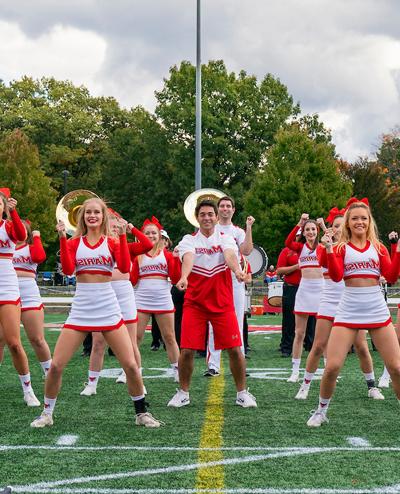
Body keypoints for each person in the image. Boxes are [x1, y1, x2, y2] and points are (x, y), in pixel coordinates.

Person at [30, 196, 161, 428]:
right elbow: (69, 270)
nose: (92, 216)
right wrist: (62, 238)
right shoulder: (74, 242)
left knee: (130, 364)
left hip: (108, 307)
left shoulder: (111, 242)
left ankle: (141, 412)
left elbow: (123, 266)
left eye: (97, 212)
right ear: (82, 217)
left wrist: (122, 234)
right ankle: (47, 413)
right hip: (81, 308)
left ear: (103, 217)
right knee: (57, 365)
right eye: (88, 212)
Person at [307, 199, 400, 427]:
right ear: (348, 222)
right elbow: (337, 276)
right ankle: (321, 410)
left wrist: (397, 250)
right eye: (355, 218)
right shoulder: (340, 247)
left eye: (363, 218)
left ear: (370, 222)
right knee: (332, 367)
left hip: (376, 308)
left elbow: (390, 276)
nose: (359, 222)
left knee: (396, 367)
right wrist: (328, 248)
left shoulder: (378, 247)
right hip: (348, 309)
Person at [168, 199, 257, 408]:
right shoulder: (188, 240)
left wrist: (237, 271)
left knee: (235, 349)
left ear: (217, 217)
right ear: (197, 218)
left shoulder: (226, 238)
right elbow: (188, 258)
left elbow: (229, 256)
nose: (207, 218)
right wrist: (184, 277)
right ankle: (183, 392)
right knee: (187, 350)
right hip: (195, 304)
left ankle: (242, 393)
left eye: (210, 214)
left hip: (222, 303)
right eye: (203, 214)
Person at [295, 207, 384, 400]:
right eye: (334, 226)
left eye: (339, 226)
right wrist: (327, 245)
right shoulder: (325, 247)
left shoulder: (351, 247)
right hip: (328, 300)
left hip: (351, 301)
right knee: (318, 345)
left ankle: (372, 386)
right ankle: (305, 384)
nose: (337, 229)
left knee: (361, 345)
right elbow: (324, 263)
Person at [80, 208, 153, 395]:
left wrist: (131, 228)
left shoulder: (126, 246)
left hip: (123, 292)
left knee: (130, 341)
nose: (112, 229)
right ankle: (92, 383)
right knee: (98, 341)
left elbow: (146, 245)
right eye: (110, 226)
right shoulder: (97, 245)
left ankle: (138, 380)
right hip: (103, 293)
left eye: (115, 226)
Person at [204, 195, 255, 376]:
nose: (225, 209)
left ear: (233, 210)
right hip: (215, 278)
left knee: (237, 320)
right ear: (218, 210)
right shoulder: (210, 229)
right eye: (222, 206)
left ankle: (239, 361)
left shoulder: (238, 231)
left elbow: (246, 250)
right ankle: (213, 364)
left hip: (235, 278)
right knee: (213, 321)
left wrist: (249, 228)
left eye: (228, 206)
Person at [0, 188, 40, 407]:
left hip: (6, 287)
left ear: (4, 208)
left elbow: (21, 235)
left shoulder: (8, 226)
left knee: (14, 343)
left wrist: (14, 213)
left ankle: (28, 389)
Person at [132, 217, 181, 381]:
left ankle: (177, 370)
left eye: (154, 233)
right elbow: (132, 280)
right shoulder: (137, 255)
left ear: (160, 235)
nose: (151, 235)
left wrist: (175, 259)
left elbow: (175, 278)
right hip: (141, 298)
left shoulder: (167, 255)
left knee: (169, 337)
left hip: (162, 298)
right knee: (135, 338)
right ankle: (132, 370)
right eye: (147, 233)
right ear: (141, 235)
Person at [285, 214, 324, 382]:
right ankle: (295, 371)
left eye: (313, 229)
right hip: (305, 290)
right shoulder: (300, 247)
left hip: (322, 291)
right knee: (299, 333)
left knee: (323, 335)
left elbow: (337, 239)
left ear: (317, 231)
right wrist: (298, 223)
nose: (310, 232)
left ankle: (327, 369)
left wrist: (323, 225)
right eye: (307, 229)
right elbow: (287, 243)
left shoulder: (323, 246)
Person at [12, 220, 52, 376]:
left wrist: (37, 237)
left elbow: (39, 256)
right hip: (8, 293)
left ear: (27, 233)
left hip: (29, 294)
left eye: (22, 229)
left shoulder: (31, 248)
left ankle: (50, 373)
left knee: (37, 339)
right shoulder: (5, 248)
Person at [276, 242, 315, 357]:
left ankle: (310, 345)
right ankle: (286, 348)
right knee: (289, 318)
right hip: (292, 287)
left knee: (312, 319)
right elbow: (279, 270)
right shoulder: (287, 251)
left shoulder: (314, 250)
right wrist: (297, 266)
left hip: (310, 287)